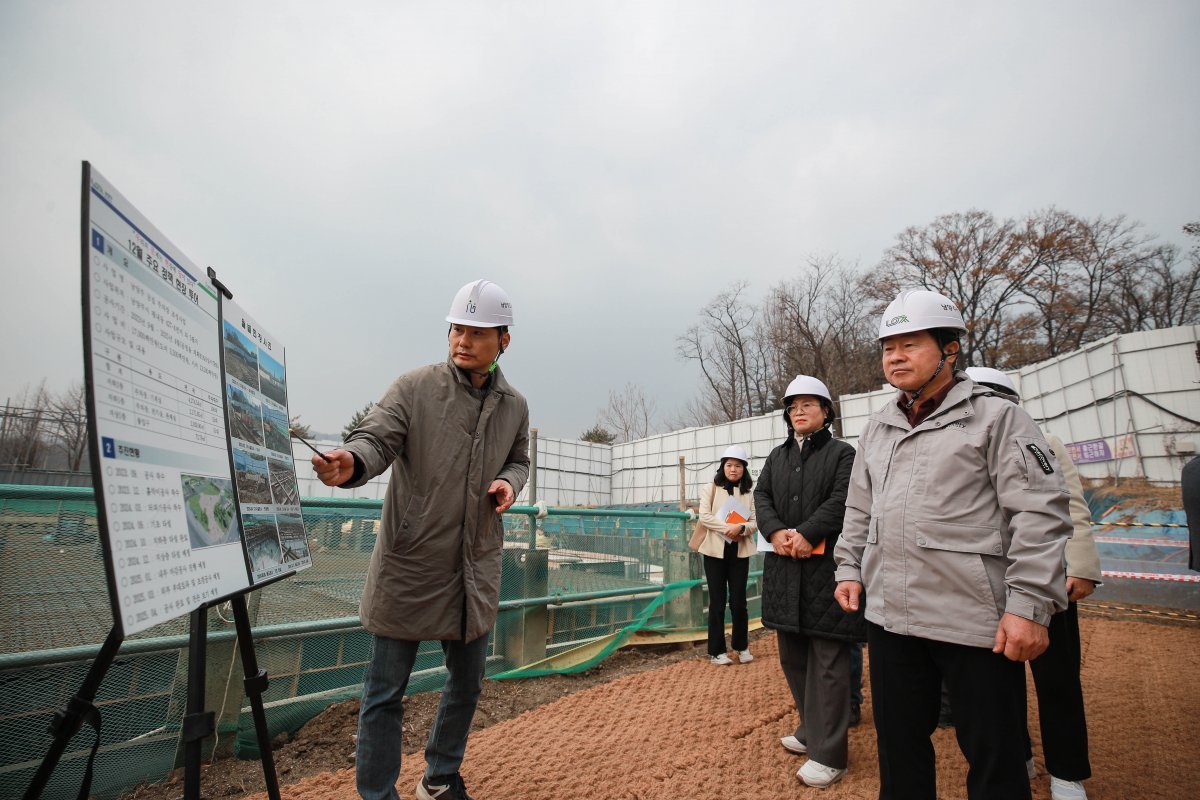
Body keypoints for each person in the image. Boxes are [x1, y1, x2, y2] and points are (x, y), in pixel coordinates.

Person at [832, 289, 1071, 800]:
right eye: (887, 347)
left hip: (974, 622)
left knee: (995, 756)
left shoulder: (997, 419)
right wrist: (848, 569)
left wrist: (1029, 606)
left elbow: (1039, 513)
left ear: (950, 349)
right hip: (891, 619)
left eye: (910, 344)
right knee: (898, 750)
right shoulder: (879, 426)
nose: (894, 356)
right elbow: (859, 509)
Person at [312, 279, 529, 800]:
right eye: (457, 328)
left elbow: (519, 459)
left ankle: (438, 777)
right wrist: (352, 461)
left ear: (503, 340)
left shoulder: (514, 406)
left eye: (477, 332)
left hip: (474, 565)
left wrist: (509, 483)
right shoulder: (415, 387)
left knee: (467, 683)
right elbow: (377, 435)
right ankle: (377, 794)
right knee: (385, 691)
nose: (462, 340)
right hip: (410, 563)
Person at [966, 366, 1100, 800]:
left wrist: (1078, 566)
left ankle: (1066, 771)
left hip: (1045, 581)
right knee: (996, 683)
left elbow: (1071, 509)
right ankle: (1016, 753)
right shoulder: (961, 446)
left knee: (1057, 677)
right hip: (987, 583)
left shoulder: (1044, 443)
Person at [755, 375, 863, 789]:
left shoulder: (842, 454)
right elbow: (761, 496)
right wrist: (776, 530)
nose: (798, 411)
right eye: (792, 406)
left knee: (830, 664)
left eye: (808, 405)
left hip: (827, 569)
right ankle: (809, 729)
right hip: (785, 569)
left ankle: (830, 752)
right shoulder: (777, 456)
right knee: (793, 657)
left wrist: (809, 532)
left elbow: (844, 499)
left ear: (825, 412)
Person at [695, 445, 759, 665]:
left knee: (739, 601)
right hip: (714, 551)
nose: (733, 470)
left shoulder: (749, 492)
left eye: (738, 466)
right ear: (723, 467)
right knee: (717, 601)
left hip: (739, 551)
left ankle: (742, 646)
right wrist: (726, 528)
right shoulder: (711, 488)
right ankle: (716, 651)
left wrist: (740, 529)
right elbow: (704, 515)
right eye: (729, 465)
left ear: (744, 469)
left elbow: (755, 522)